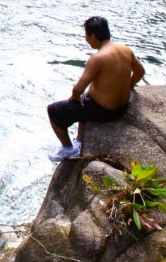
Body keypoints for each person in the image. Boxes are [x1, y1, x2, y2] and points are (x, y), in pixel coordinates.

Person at [47, 15, 144, 161]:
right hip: (122, 107)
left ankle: (68, 149)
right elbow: (140, 71)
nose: (86, 39)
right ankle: (79, 140)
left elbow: (77, 89)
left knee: (54, 110)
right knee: (86, 97)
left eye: (86, 35)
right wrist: (128, 86)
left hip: (105, 112)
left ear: (93, 36)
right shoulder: (125, 49)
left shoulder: (98, 58)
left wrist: (74, 98)